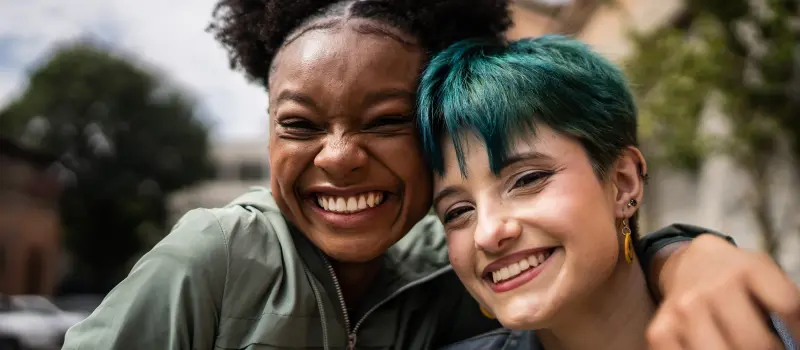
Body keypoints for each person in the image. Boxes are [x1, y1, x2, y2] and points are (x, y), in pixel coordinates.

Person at [62, 1, 800, 349]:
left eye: (384, 122)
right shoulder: (216, 255)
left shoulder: (450, 277)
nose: (339, 156)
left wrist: (688, 253)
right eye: (299, 124)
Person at [417, 35, 799, 350]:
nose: (487, 233)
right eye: (457, 211)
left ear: (623, 183)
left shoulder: (771, 330)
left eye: (526, 179)